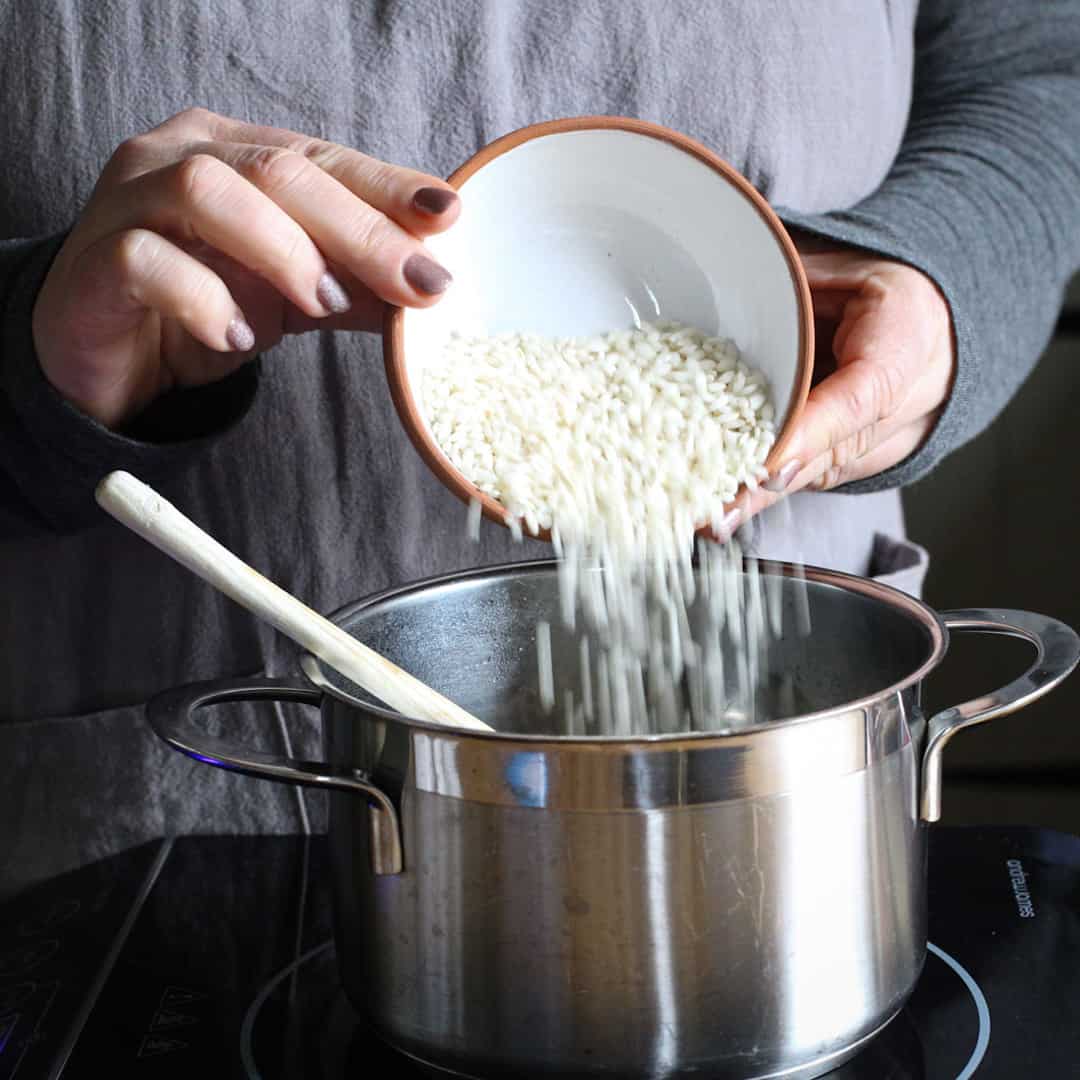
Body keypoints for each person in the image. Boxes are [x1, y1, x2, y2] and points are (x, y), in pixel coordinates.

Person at [2, 0, 1078, 897]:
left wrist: (946, 279)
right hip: (142, 830)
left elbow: (1046, 69)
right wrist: (27, 369)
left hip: (784, 816)